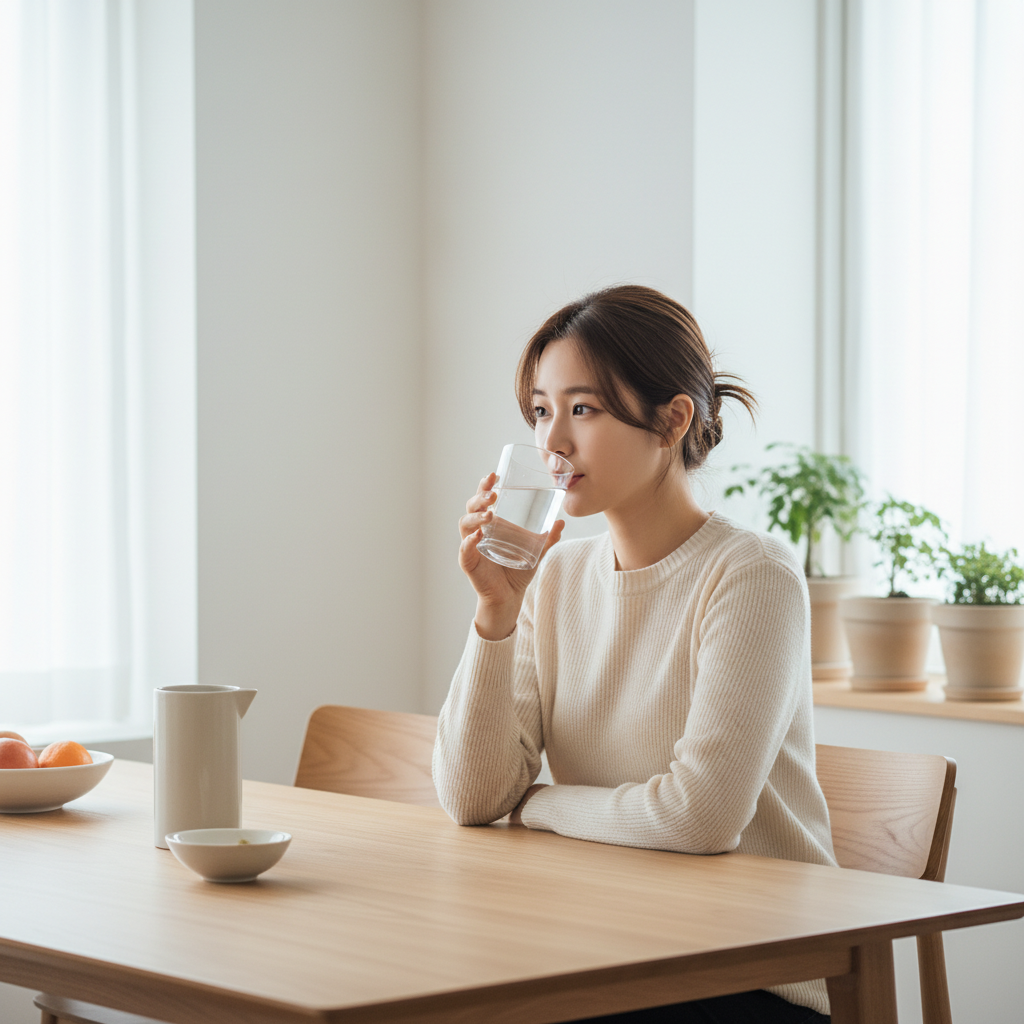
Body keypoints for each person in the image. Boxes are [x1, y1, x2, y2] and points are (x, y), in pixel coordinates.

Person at [432, 285, 836, 1023]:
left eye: (582, 409)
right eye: (541, 411)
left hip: (761, 970)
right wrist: (495, 612)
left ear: (672, 419)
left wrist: (545, 805)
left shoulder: (752, 576)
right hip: (614, 949)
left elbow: (698, 818)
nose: (553, 442)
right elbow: (472, 797)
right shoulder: (552, 576)